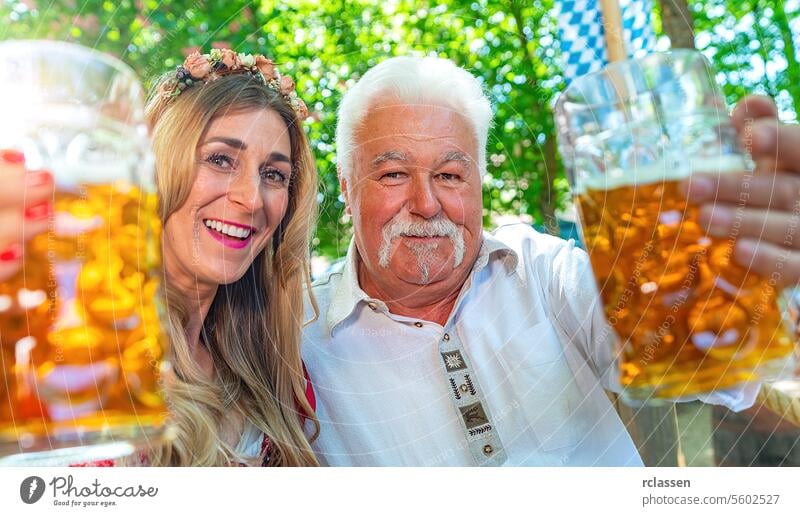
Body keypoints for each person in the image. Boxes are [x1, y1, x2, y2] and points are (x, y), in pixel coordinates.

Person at [301, 56, 800, 466]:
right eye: (392, 175)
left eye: (451, 175)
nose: (427, 204)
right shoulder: (295, 337)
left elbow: (688, 349)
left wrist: (747, 280)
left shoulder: (541, 269)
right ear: (347, 188)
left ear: (479, 184)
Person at [1, 48, 320, 466]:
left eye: (274, 174)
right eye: (221, 159)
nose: (250, 199)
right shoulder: (65, 350)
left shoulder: (278, 381)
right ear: (155, 169)